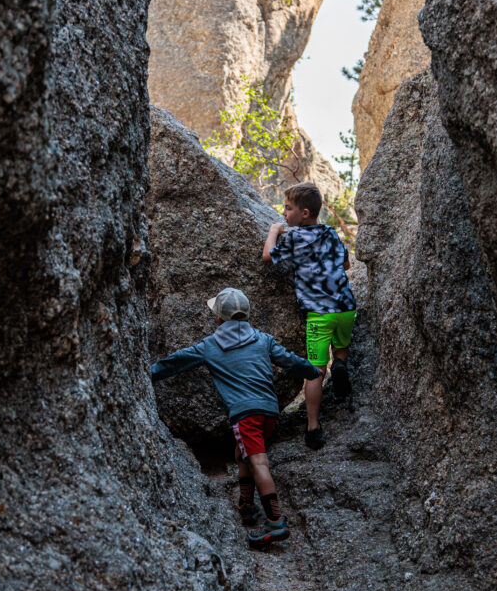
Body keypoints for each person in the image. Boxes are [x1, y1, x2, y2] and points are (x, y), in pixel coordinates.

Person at [150, 287, 321, 546]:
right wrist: (312, 371)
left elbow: (176, 362)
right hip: (269, 412)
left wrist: (147, 371)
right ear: (248, 315)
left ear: (219, 319)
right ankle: (246, 504)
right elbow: (290, 361)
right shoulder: (263, 339)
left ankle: (275, 522)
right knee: (242, 454)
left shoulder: (210, 346)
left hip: (245, 415)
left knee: (259, 463)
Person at [262, 182, 356, 450]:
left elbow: (268, 256)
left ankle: (313, 428)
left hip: (318, 315)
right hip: (346, 309)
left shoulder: (293, 238)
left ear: (304, 213)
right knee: (341, 347)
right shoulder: (330, 232)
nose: (283, 212)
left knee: (315, 371)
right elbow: (347, 264)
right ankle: (340, 364)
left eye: (288, 208)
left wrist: (274, 231)